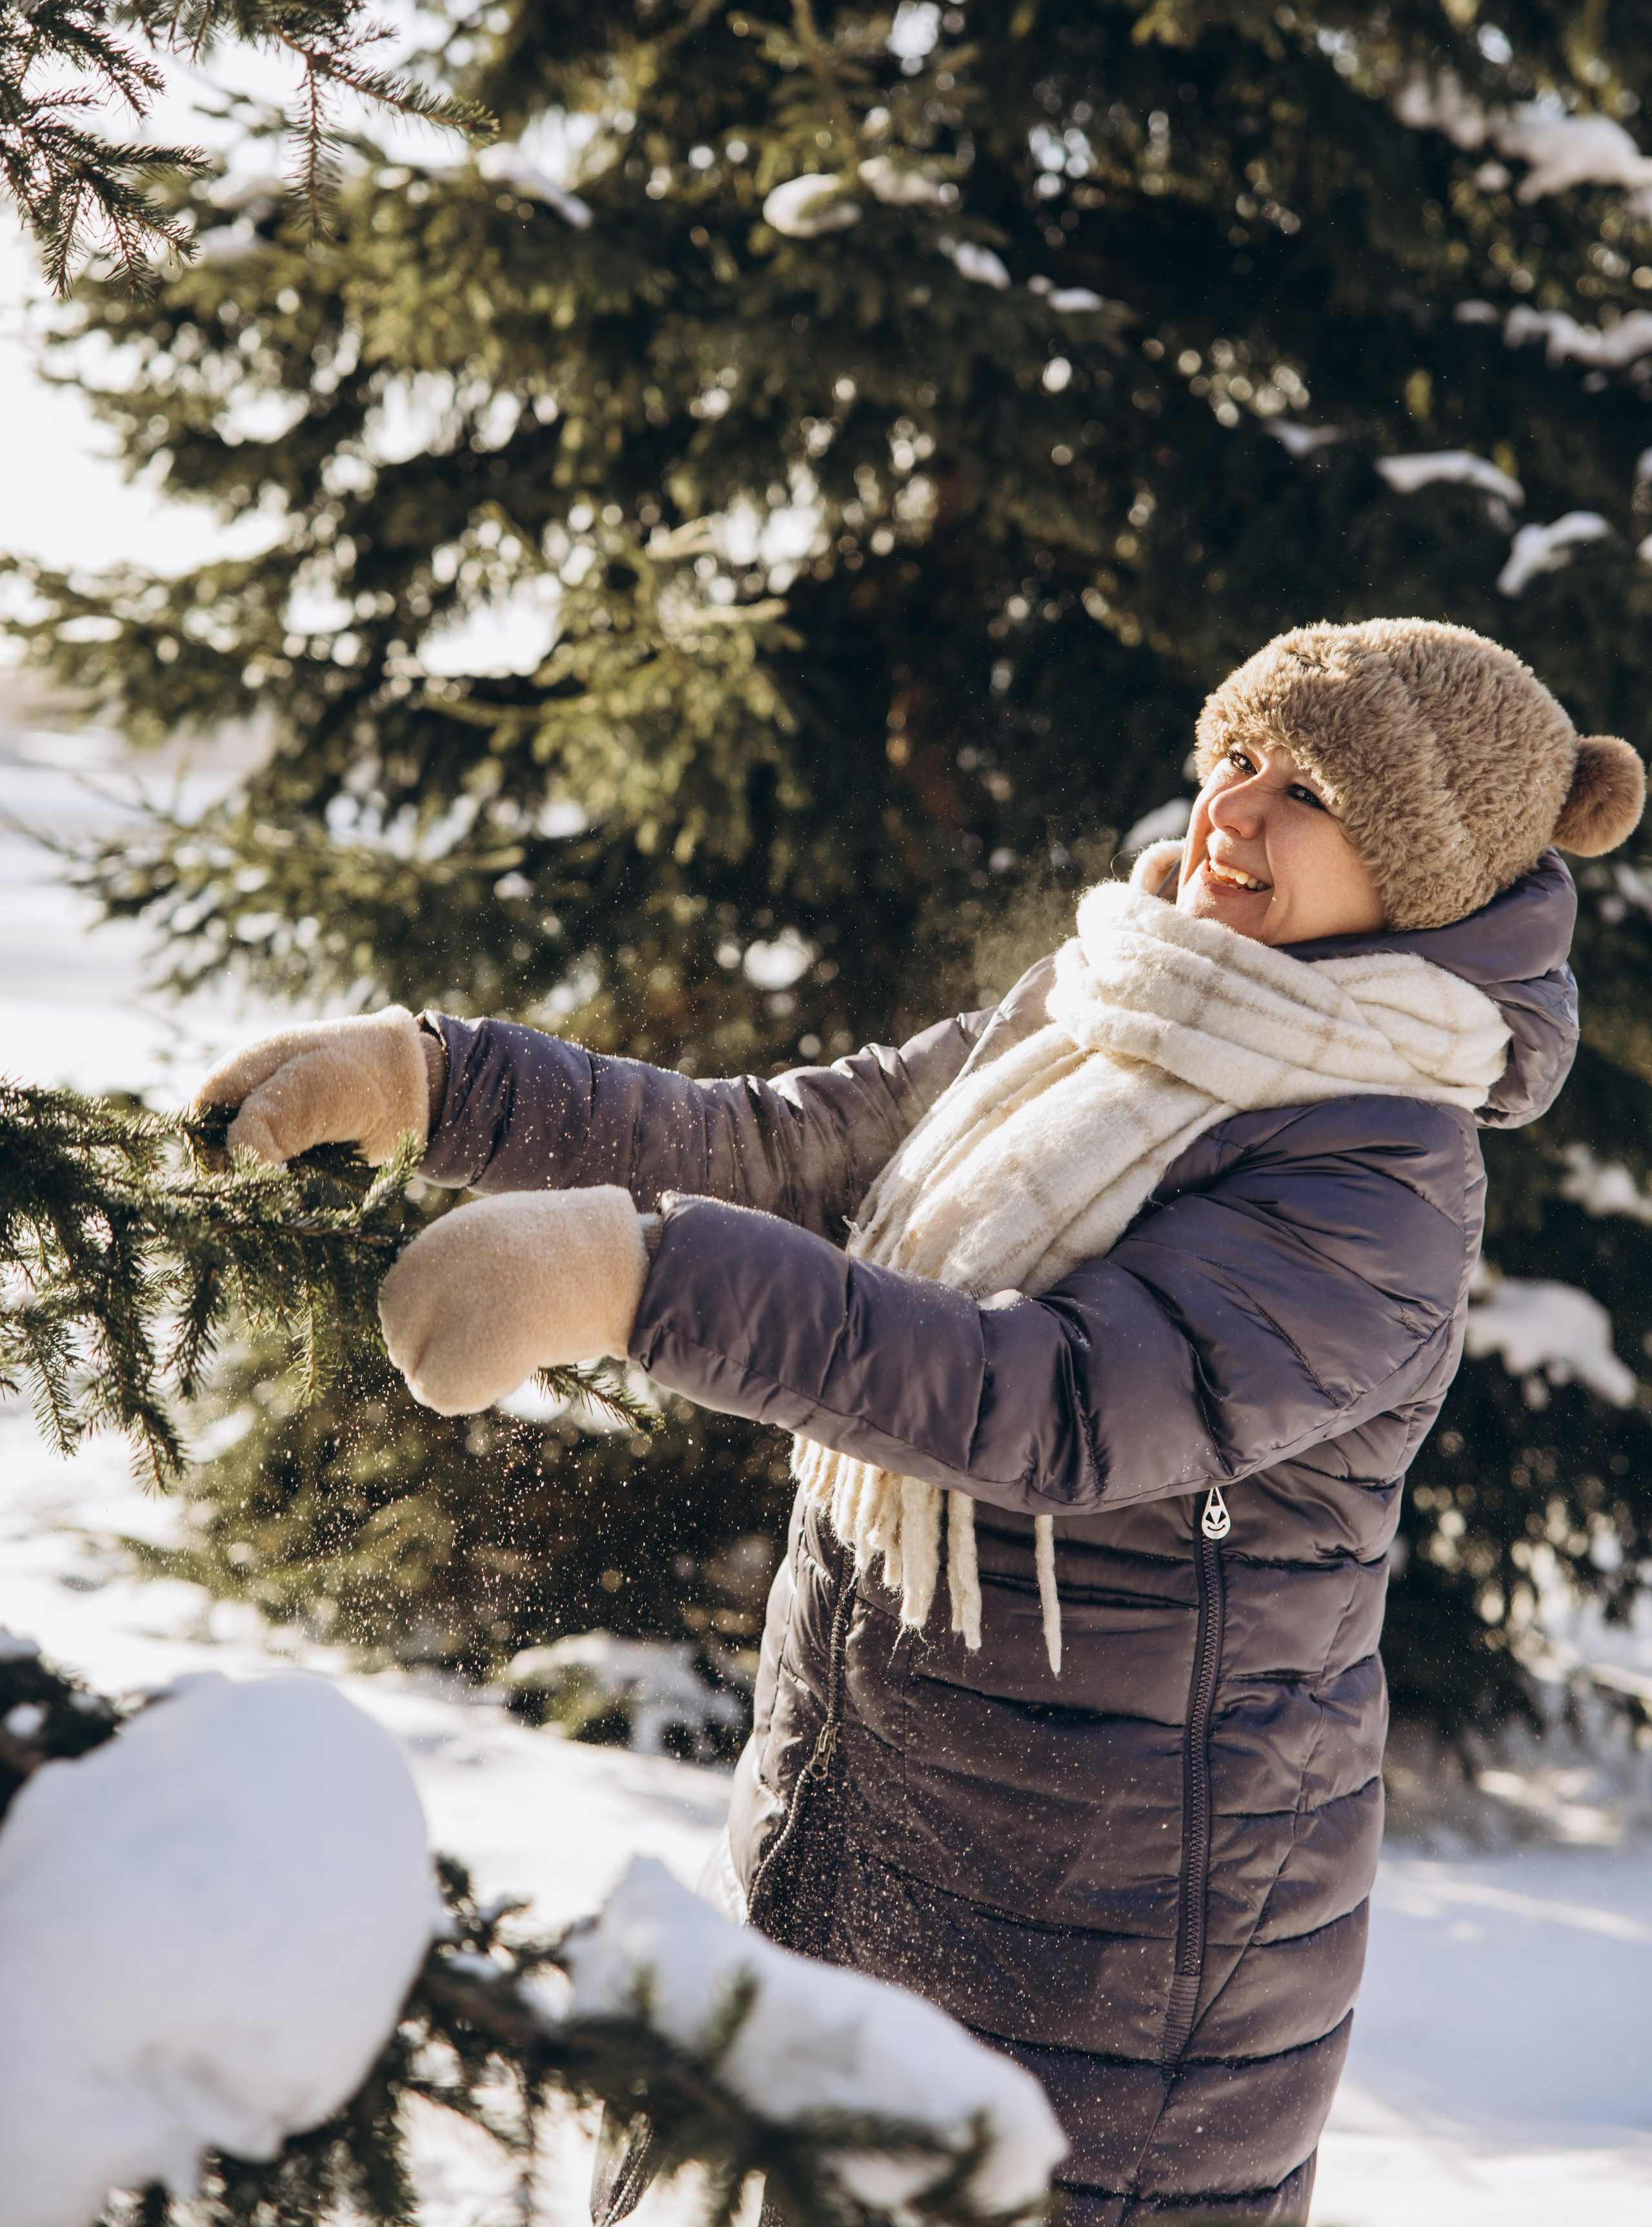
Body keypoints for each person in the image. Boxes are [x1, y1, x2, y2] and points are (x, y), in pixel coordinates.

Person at [197, 619, 1645, 2226]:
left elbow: (1058, 1404)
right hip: (862, 1799)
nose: (1233, 807)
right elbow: (798, 1145)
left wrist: (636, 1278)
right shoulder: (1112, 991)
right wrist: (440, 1087)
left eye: (1308, 790)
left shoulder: (1379, 1175)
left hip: (1110, 1962)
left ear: (1423, 873)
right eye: (1235, 755)